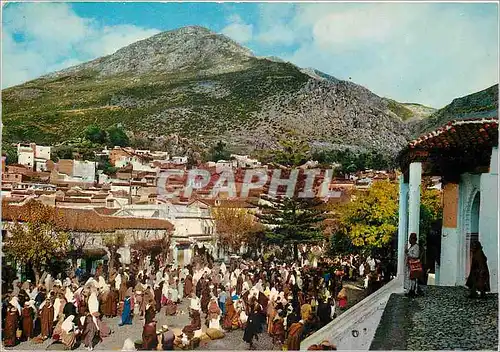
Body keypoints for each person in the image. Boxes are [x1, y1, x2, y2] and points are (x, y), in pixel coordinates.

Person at [405, 233, 423, 297]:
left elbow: (416, 255)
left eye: (410, 238)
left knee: (413, 278)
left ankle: (413, 290)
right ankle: (410, 289)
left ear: (413, 239)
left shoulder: (416, 247)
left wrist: (408, 253)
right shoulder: (411, 247)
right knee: (410, 278)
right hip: (410, 265)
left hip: (414, 265)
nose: (409, 240)